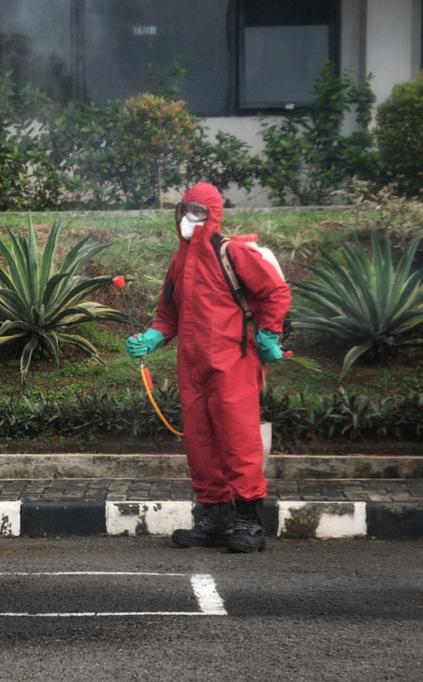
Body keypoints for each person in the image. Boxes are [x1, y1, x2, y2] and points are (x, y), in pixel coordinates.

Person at [125, 182, 291, 553]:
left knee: (239, 441)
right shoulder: (178, 262)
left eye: (198, 212)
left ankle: (249, 523)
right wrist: (151, 337)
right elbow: (168, 314)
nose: (190, 218)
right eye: (185, 210)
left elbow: (275, 292)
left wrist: (269, 334)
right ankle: (215, 519)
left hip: (234, 363)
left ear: (212, 215)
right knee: (200, 444)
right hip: (193, 367)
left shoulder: (233, 252)